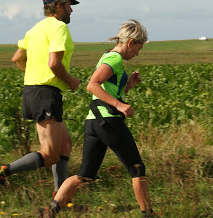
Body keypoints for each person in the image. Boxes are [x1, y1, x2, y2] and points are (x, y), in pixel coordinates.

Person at [40, 19, 155, 217]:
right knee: (137, 169)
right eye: (138, 47)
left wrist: (128, 86)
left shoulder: (107, 57)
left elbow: (108, 89)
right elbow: (93, 85)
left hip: (94, 122)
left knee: (85, 176)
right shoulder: (115, 60)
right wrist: (119, 105)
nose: (138, 53)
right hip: (108, 121)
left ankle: (50, 211)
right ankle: (149, 215)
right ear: (130, 43)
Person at [0, 0, 81, 205]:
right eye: (68, 5)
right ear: (59, 6)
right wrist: (70, 80)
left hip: (34, 91)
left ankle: (60, 202)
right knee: (50, 154)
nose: (71, 10)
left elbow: (17, 58)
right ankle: (0, 172)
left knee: (64, 145)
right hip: (46, 93)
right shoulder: (59, 28)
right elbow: (54, 63)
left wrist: (34, 74)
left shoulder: (35, 29)